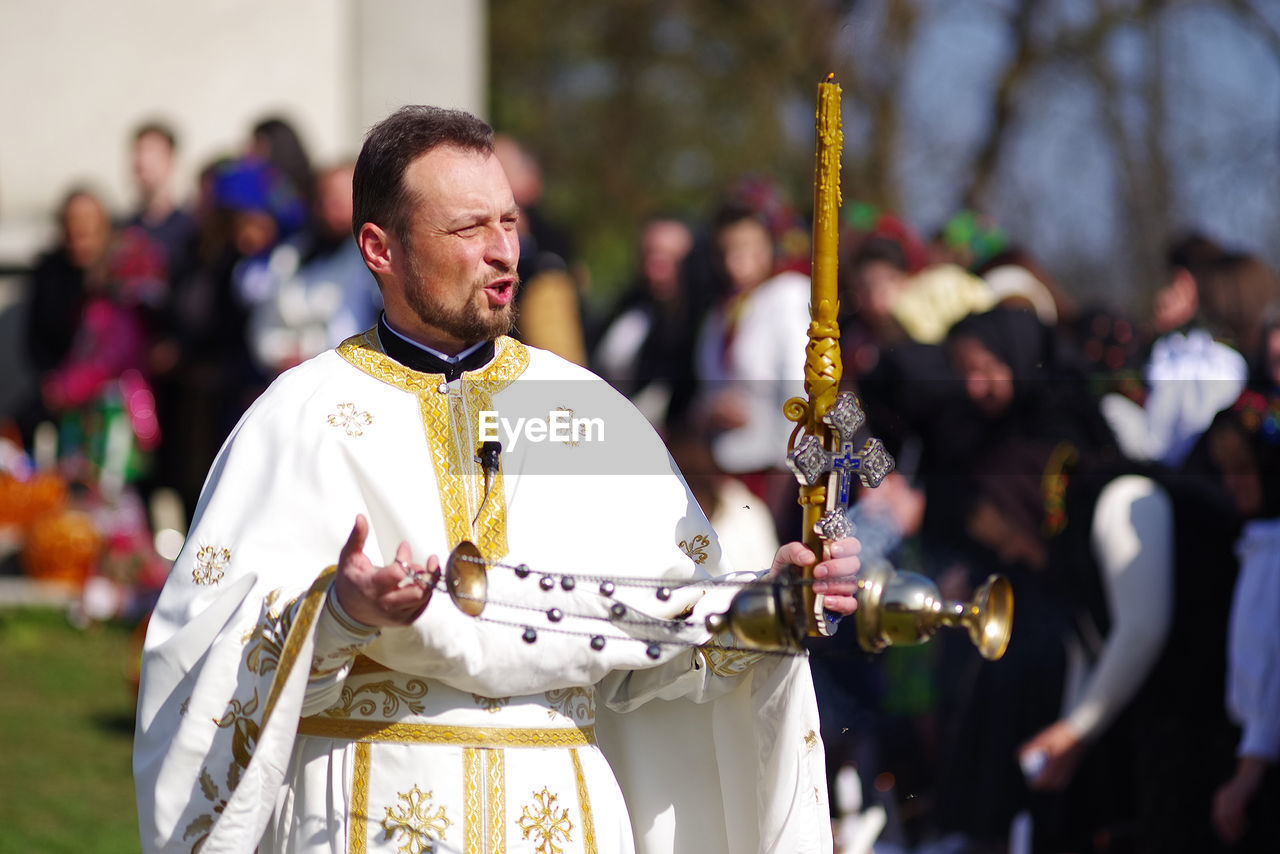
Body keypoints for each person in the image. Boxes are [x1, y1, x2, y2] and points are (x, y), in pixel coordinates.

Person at [133, 105, 864, 854]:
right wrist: (342, 614)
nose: (504, 252)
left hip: (560, 819)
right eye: (468, 228)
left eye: (509, 222)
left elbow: (657, 661)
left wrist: (762, 604)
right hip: (367, 811)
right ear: (380, 249)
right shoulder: (298, 419)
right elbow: (206, 674)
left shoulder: (590, 416)